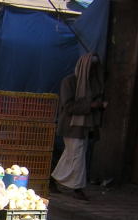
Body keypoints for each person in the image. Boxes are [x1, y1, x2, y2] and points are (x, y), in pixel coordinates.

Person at [51, 52, 107, 201]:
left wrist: (99, 106)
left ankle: (54, 179)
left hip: (85, 127)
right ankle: (77, 188)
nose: (93, 70)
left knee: (71, 156)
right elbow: (68, 106)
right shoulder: (69, 82)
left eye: (95, 67)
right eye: (91, 67)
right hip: (71, 126)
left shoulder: (93, 84)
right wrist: (91, 105)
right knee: (77, 157)